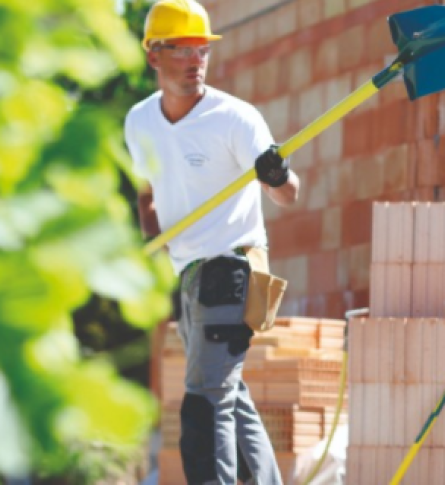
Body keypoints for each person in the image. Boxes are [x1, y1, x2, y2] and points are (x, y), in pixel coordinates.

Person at [124, 0, 300, 483]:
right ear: (153, 56)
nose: (194, 61)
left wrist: (277, 174)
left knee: (205, 398)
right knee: (228, 394)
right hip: (188, 273)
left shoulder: (237, 119)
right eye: (180, 50)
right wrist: (154, 261)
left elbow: (287, 195)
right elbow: (148, 202)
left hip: (234, 268)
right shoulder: (139, 123)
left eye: (200, 49)